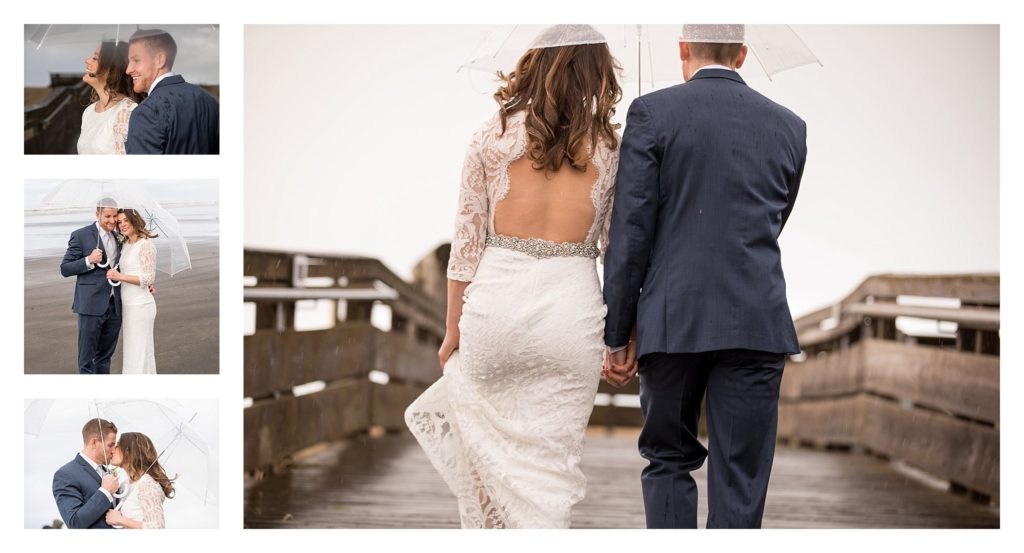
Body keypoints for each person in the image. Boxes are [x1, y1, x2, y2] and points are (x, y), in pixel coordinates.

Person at [405, 24, 622, 528]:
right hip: (571, 317)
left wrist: (453, 328)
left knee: (485, 463)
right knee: (552, 468)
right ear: (596, 75)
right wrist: (620, 335)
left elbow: (465, 246)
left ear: (536, 66)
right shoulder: (611, 148)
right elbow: (616, 252)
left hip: (495, 310)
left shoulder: (491, 135)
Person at [602, 24, 808, 529]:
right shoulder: (790, 127)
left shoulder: (652, 113)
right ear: (741, 54)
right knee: (741, 473)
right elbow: (774, 216)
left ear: (682, 50)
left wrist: (617, 332)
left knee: (668, 459)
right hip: (757, 320)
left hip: (673, 320)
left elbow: (631, 232)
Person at [125, 29, 219, 154]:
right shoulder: (208, 100)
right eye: (129, 61)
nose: (128, 69)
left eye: (136, 60)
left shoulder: (147, 111)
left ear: (160, 60)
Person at [60, 199, 122, 374]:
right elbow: (65, 268)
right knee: (87, 360)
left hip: (115, 305)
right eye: (107, 216)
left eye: (115, 216)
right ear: (97, 214)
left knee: (105, 357)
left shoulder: (119, 237)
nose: (112, 220)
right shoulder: (81, 235)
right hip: (90, 305)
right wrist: (88, 260)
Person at [104, 209, 158, 374]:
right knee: (132, 351)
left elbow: (148, 278)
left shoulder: (146, 244)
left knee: (140, 351)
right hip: (128, 305)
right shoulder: (125, 244)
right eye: (119, 222)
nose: (122, 224)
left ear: (135, 221)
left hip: (141, 305)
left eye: (126, 220)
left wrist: (120, 276)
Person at [52, 419, 120, 529]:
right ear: (94, 442)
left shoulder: (108, 472)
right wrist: (105, 491)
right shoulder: (65, 475)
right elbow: (75, 523)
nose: (113, 450)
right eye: (110, 445)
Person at [78, 41, 142, 155]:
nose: (87, 61)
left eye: (95, 58)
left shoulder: (127, 111)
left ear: (113, 69)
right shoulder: (88, 112)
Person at [104, 432, 175, 529]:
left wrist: (120, 520)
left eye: (118, 446)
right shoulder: (129, 483)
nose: (112, 450)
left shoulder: (147, 484)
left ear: (129, 451)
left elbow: (157, 528)